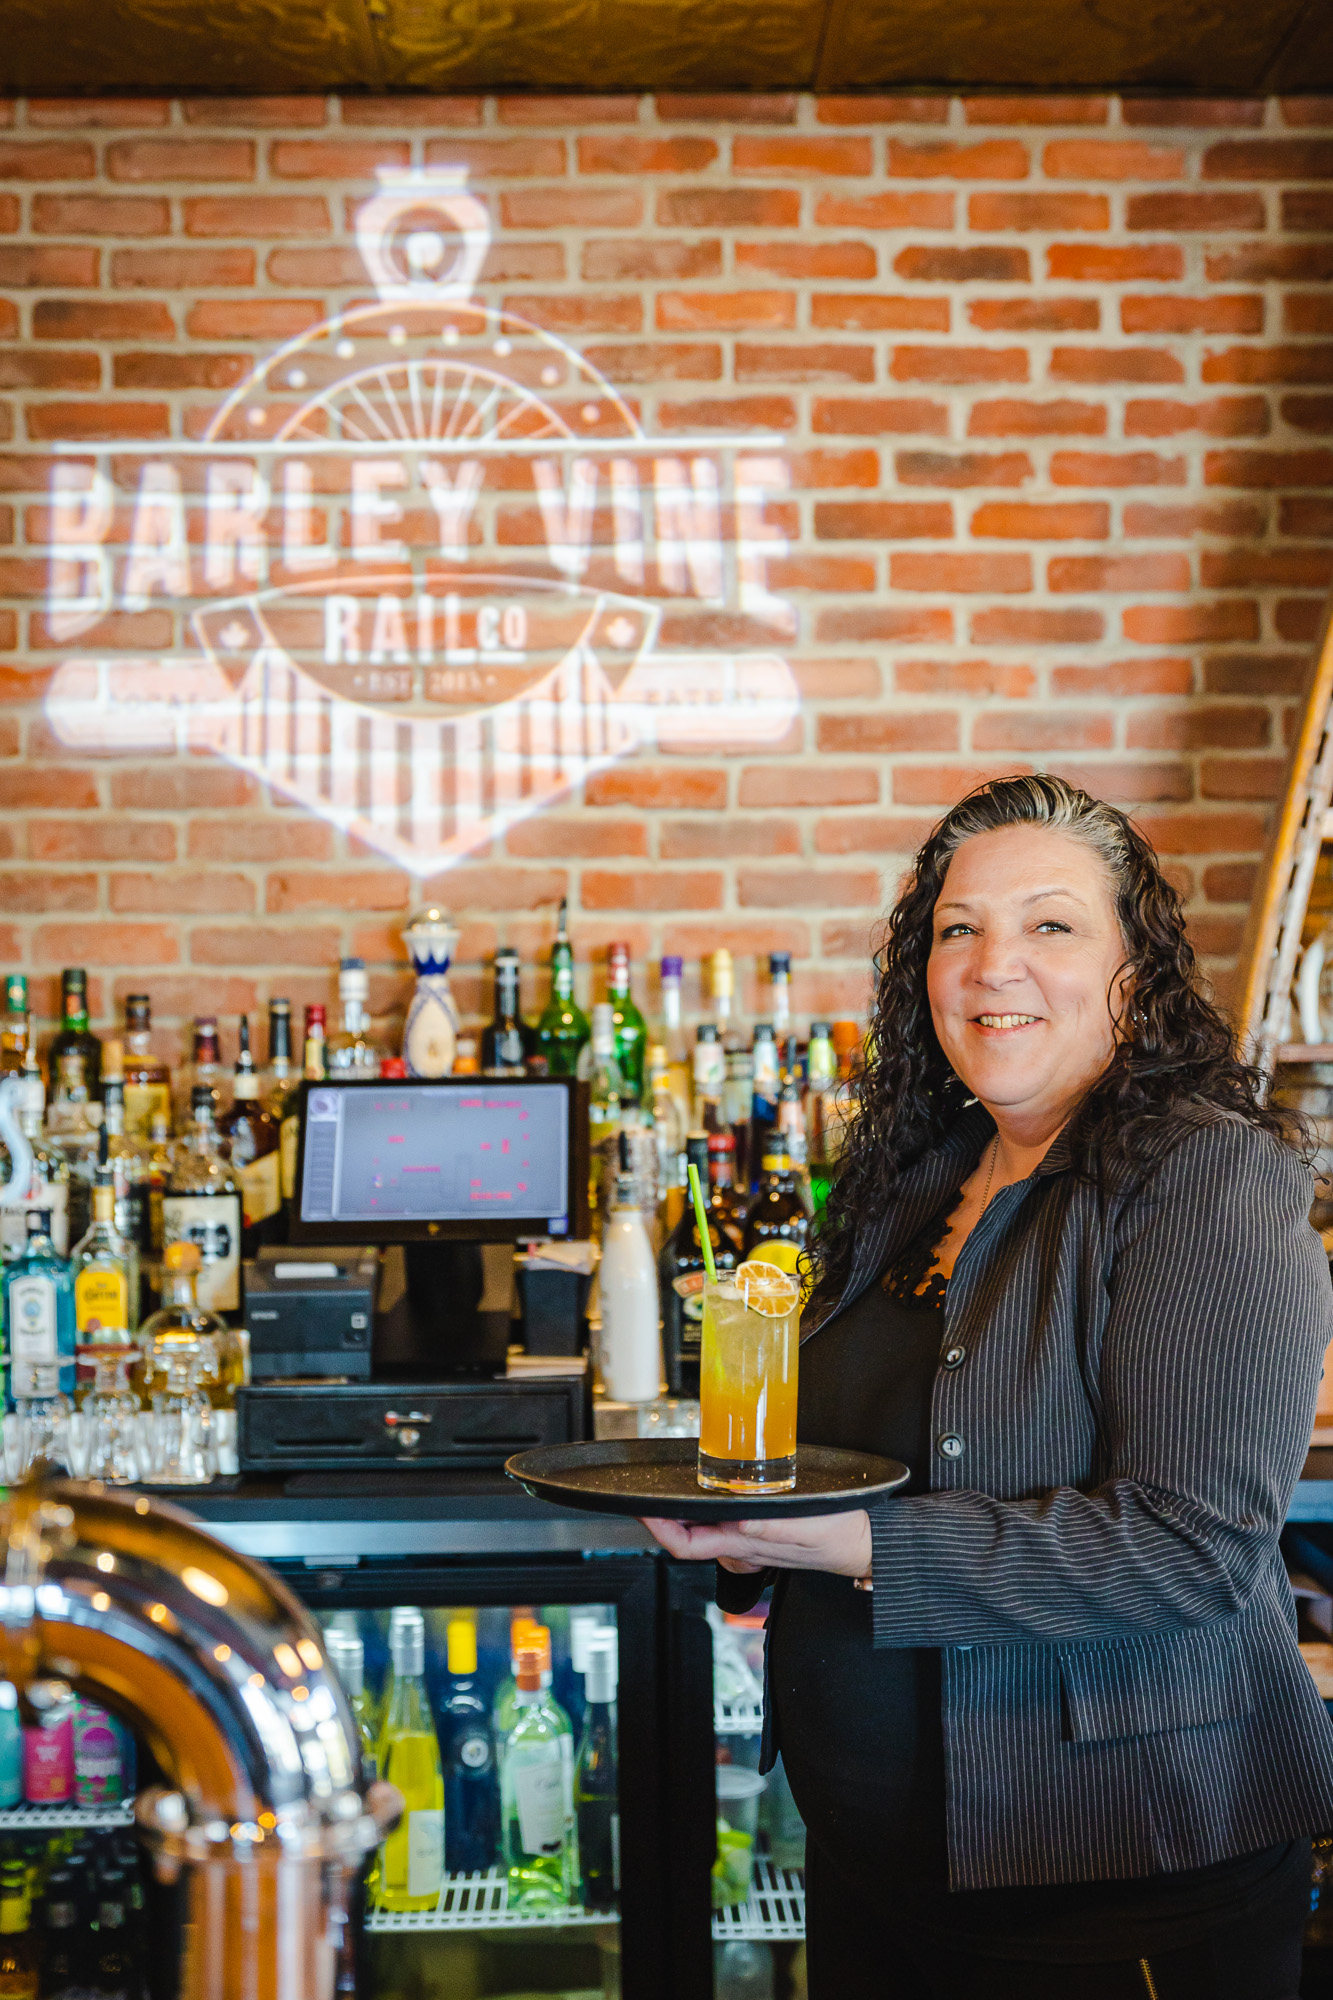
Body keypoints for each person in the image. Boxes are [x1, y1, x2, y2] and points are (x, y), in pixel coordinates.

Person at [646, 775, 1333, 1999]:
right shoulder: (918, 1178)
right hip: (875, 1870)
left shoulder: (1207, 1179)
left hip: (1113, 1881)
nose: (990, 963)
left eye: (1050, 924)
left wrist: (829, 1539)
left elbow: (1191, 1547)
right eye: (957, 928)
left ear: (1136, 970)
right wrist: (742, 1536)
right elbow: (846, 1453)